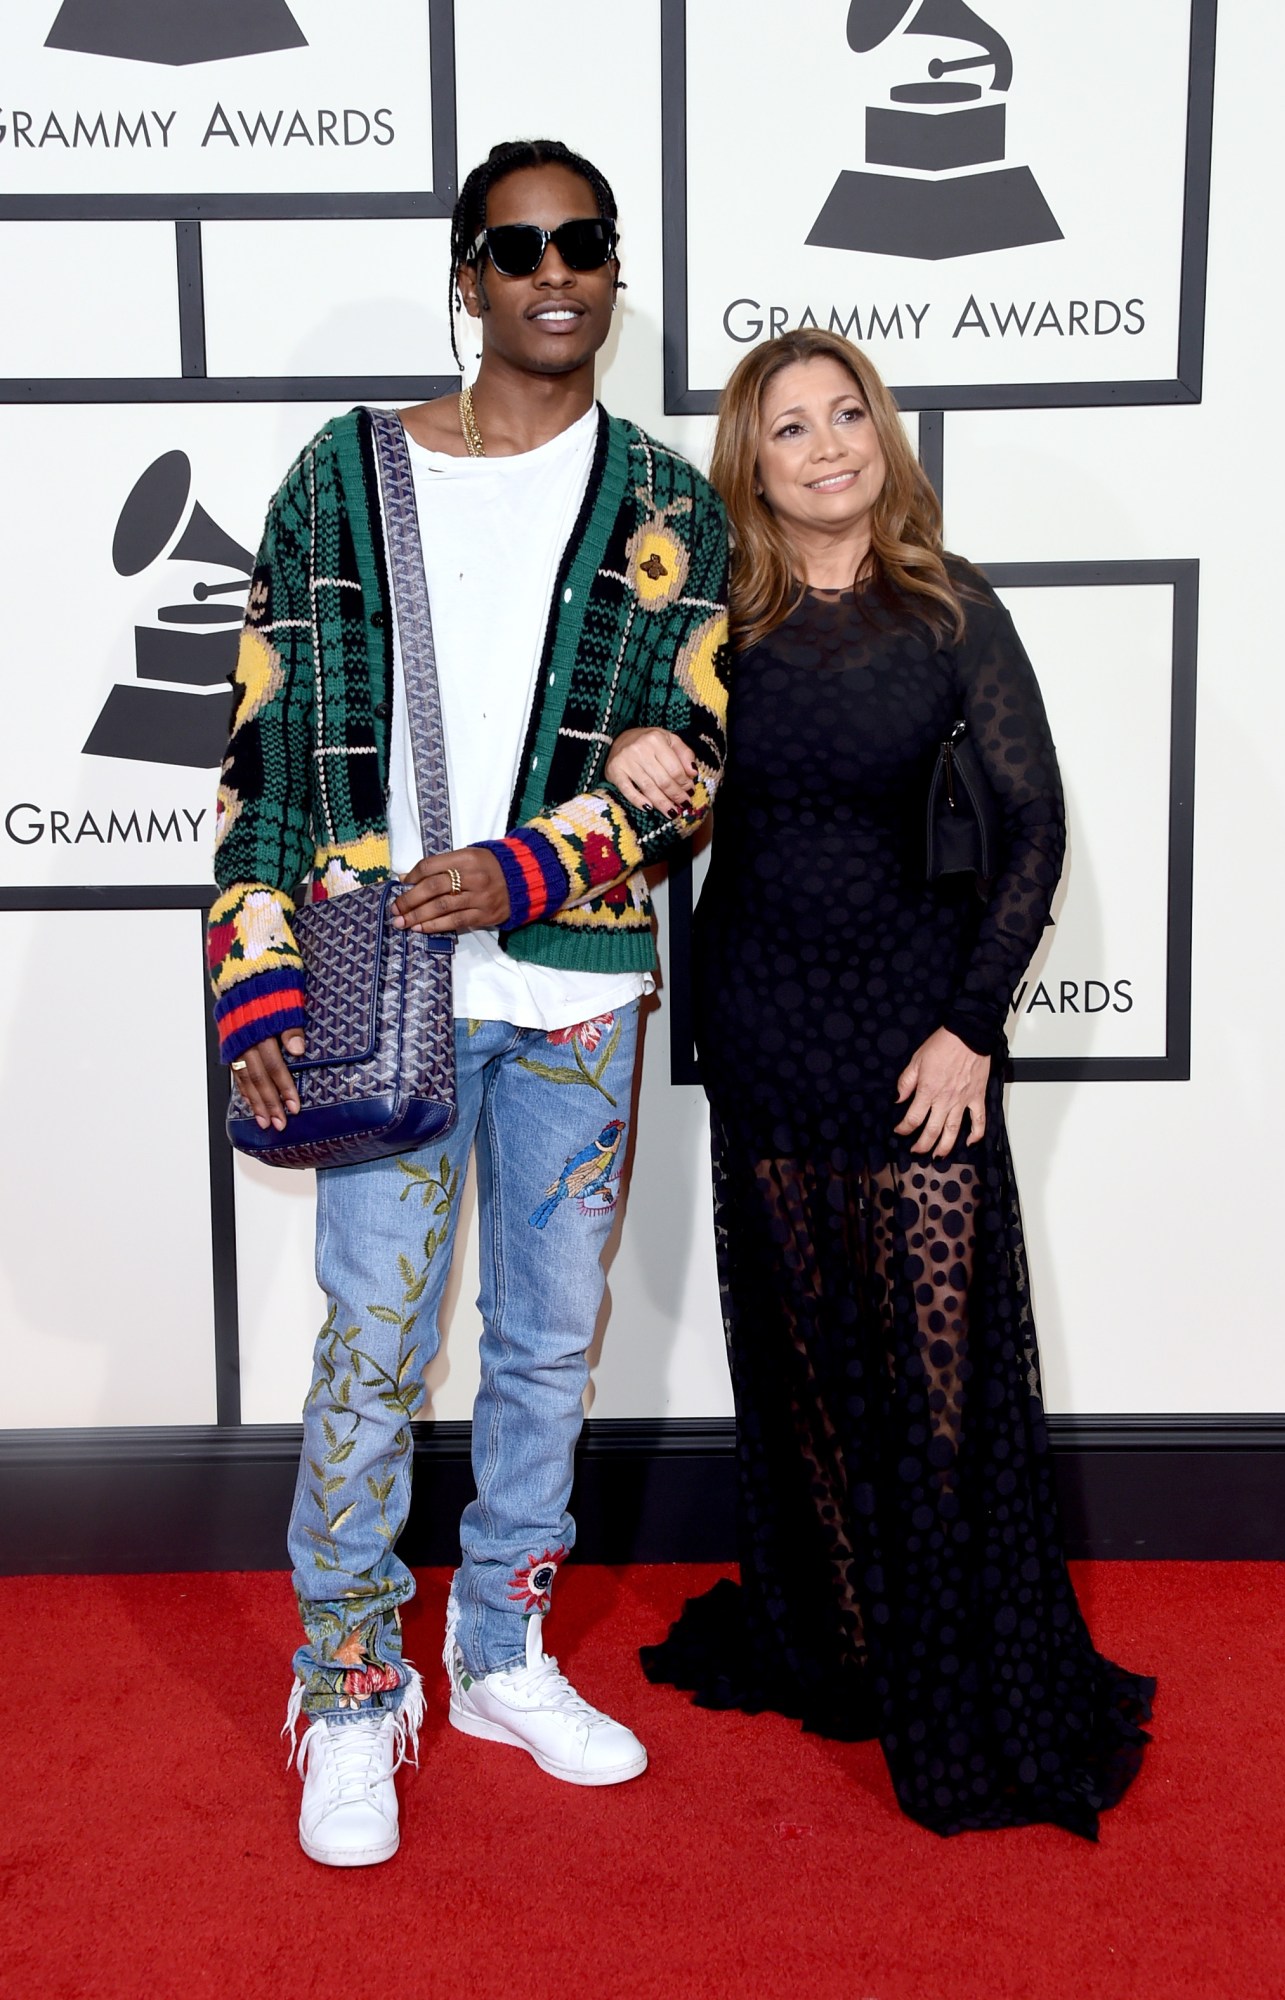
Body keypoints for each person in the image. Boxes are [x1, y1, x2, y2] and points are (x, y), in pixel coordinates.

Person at [209, 138, 729, 1866]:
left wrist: (522, 872)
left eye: (582, 242)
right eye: (517, 248)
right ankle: (349, 1684)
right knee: (370, 1349)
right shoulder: (338, 479)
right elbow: (268, 750)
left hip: (574, 989)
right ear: (468, 275)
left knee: (542, 1347)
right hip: (376, 987)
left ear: (613, 270)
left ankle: (497, 1650)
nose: (552, 272)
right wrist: (252, 979)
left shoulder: (668, 503)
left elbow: (697, 761)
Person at [612, 329, 1153, 1840]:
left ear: (882, 436)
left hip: (918, 1033)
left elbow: (1033, 832)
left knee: (935, 1377)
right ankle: (845, 1639)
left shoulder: (946, 605)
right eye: (791, 428)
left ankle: (955, 1657)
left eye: (847, 414)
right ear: (754, 462)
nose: (828, 444)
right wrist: (647, 741)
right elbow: (659, 818)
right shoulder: (712, 622)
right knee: (801, 1367)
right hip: (767, 1022)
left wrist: (969, 1030)